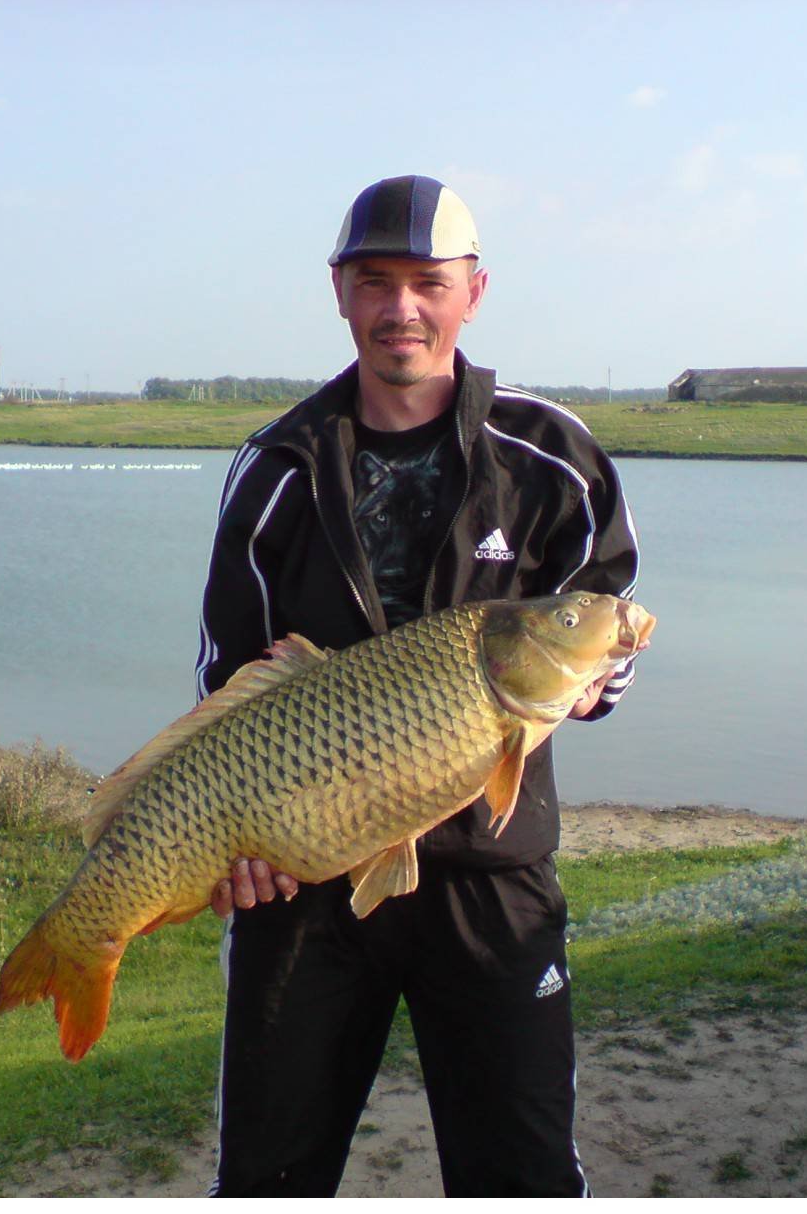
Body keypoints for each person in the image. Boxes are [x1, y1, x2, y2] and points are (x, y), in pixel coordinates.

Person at [193, 174, 642, 1197]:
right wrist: (240, 849)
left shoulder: (550, 457)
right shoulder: (274, 468)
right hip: (306, 883)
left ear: (472, 294)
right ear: (340, 294)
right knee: (268, 1173)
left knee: (520, 1173)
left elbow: (608, 621)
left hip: (491, 876)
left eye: (427, 283)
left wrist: (587, 688)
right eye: (376, 281)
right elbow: (229, 679)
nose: (402, 307)